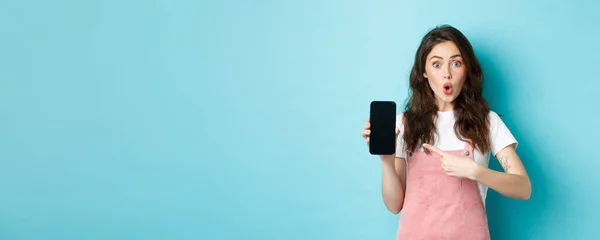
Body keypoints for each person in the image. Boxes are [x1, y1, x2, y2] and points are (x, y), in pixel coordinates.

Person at [361, 25, 532, 239]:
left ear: (467, 69)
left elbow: (523, 187)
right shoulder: (404, 125)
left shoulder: (487, 122)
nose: (447, 74)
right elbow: (395, 205)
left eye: (456, 63)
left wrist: (475, 171)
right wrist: (386, 160)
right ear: (424, 72)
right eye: (436, 64)